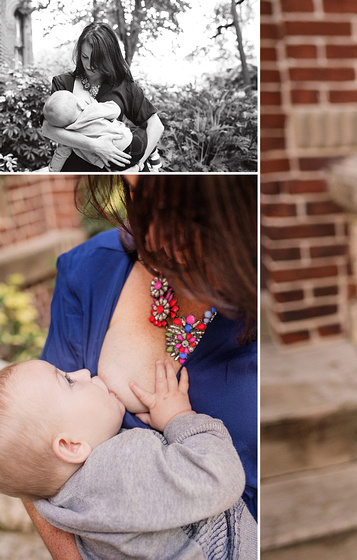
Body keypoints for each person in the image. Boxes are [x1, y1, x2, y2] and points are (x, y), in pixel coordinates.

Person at [23, 177, 257, 560]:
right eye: (137, 198)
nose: (148, 231)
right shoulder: (92, 269)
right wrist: (182, 420)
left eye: (184, 213)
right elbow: (27, 446)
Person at [0, 359, 256, 559]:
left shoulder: (58, 506)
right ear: (71, 445)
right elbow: (222, 475)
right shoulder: (121, 468)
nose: (83, 372)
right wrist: (179, 418)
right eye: (68, 381)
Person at [39, 22, 164, 172]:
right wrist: (95, 146)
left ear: (110, 57)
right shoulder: (64, 83)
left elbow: (156, 125)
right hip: (74, 175)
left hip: (112, 178)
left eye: (97, 60)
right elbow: (47, 128)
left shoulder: (123, 85)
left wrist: (137, 165)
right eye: (85, 57)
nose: (89, 65)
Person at [42, 90, 145, 172]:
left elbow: (61, 154)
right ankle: (153, 157)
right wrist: (95, 103)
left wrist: (52, 169)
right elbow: (115, 110)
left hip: (113, 162)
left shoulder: (68, 135)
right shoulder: (91, 110)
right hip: (132, 145)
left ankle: (118, 171)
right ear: (79, 105)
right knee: (142, 131)